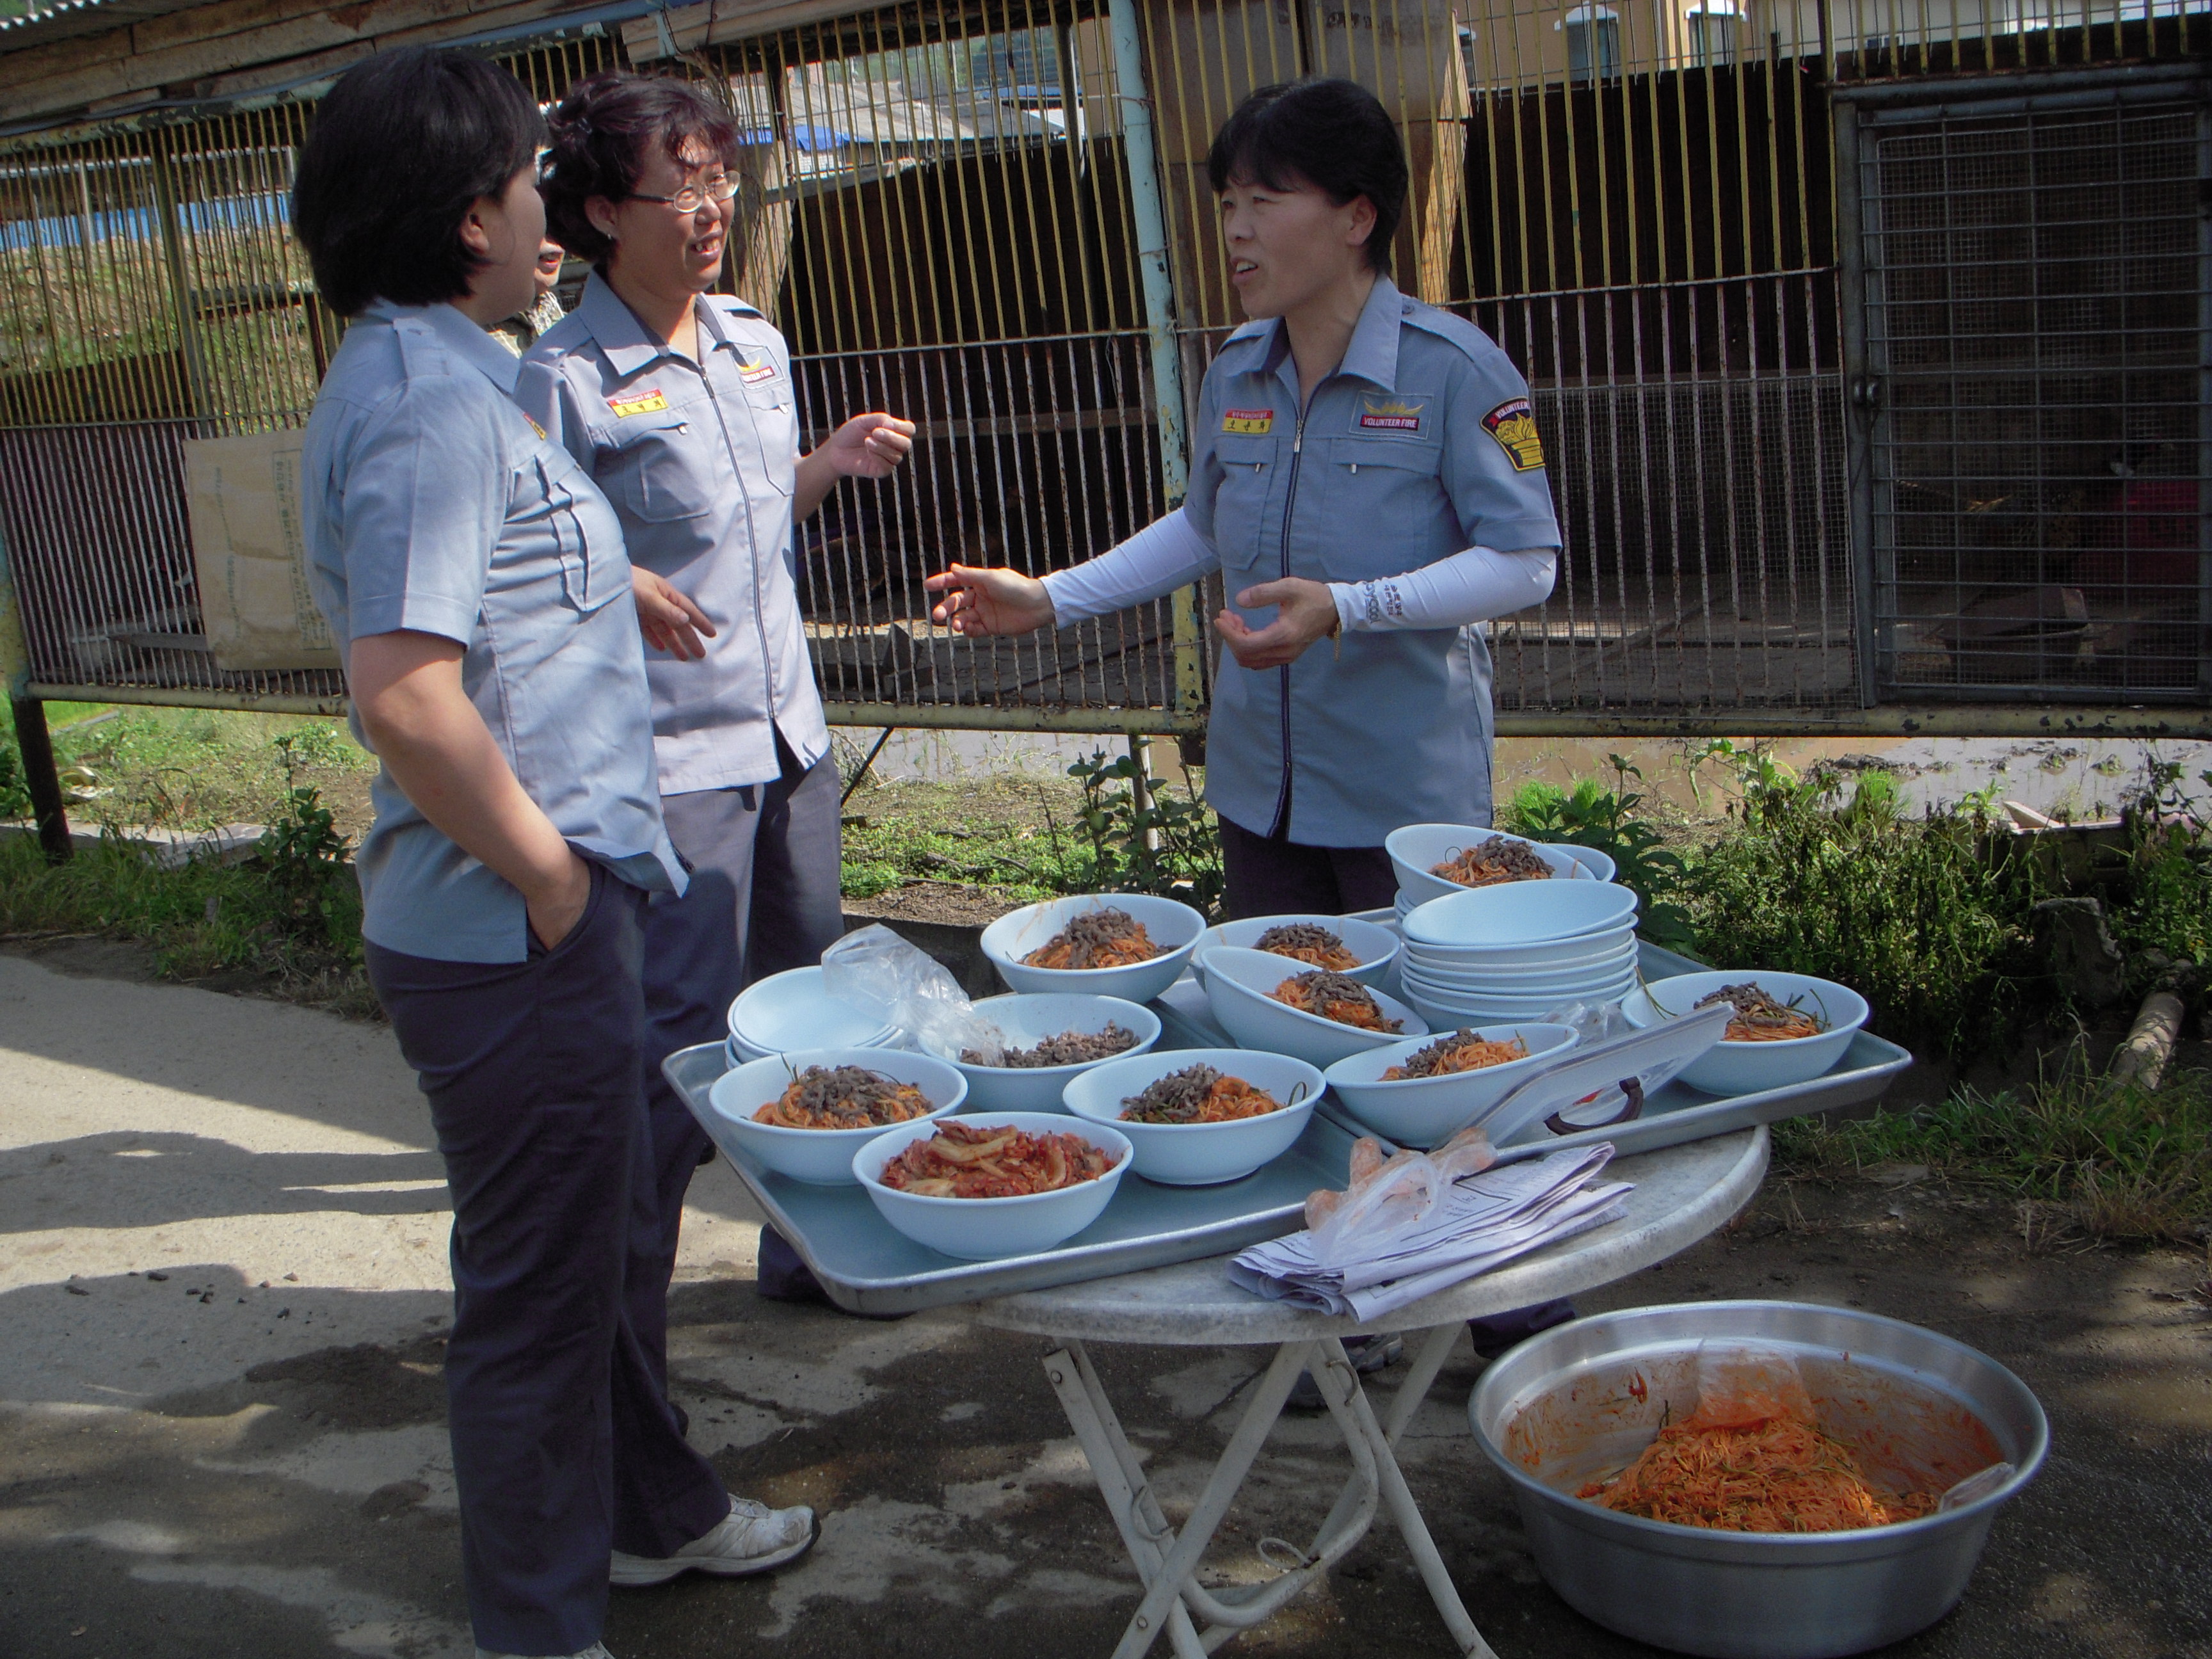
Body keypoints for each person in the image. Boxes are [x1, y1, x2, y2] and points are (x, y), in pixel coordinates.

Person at [924, 77, 1574, 1384]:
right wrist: (1048, 595)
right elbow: (1202, 530)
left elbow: (1527, 560)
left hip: (1400, 800)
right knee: (1290, 1052)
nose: (1234, 228)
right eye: (1227, 201)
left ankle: (1512, 1306)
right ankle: (1348, 1299)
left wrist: (1351, 606)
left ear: (1355, 216)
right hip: (1263, 787)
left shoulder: (1457, 373)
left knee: (1430, 1059)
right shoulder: (1238, 368)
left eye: (1264, 199)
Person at [293, 49, 813, 1659]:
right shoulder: (434, 403)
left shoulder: (446, 375)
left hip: (537, 913)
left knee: (577, 1267)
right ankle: (539, 1627)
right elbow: (406, 692)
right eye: (528, 186)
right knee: (536, 1301)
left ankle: (652, 1517)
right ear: (470, 218)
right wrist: (551, 878)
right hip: (514, 927)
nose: (546, 214)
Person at [517, 72, 915, 1324]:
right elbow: (517, 575)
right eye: (680, 189)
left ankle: (811, 1258)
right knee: (682, 1036)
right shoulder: (561, 380)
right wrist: (610, 578)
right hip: (673, 763)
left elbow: (744, 521)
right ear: (601, 212)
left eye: (722, 182)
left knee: (814, 1011)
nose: (711, 210)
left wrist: (823, 467)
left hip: (788, 736)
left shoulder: (753, 341)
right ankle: (618, 1305)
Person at [490, 237, 568, 353]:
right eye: (544, 229)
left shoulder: (572, 325)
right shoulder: (472, 339)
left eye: (562, 229)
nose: (555, 239)